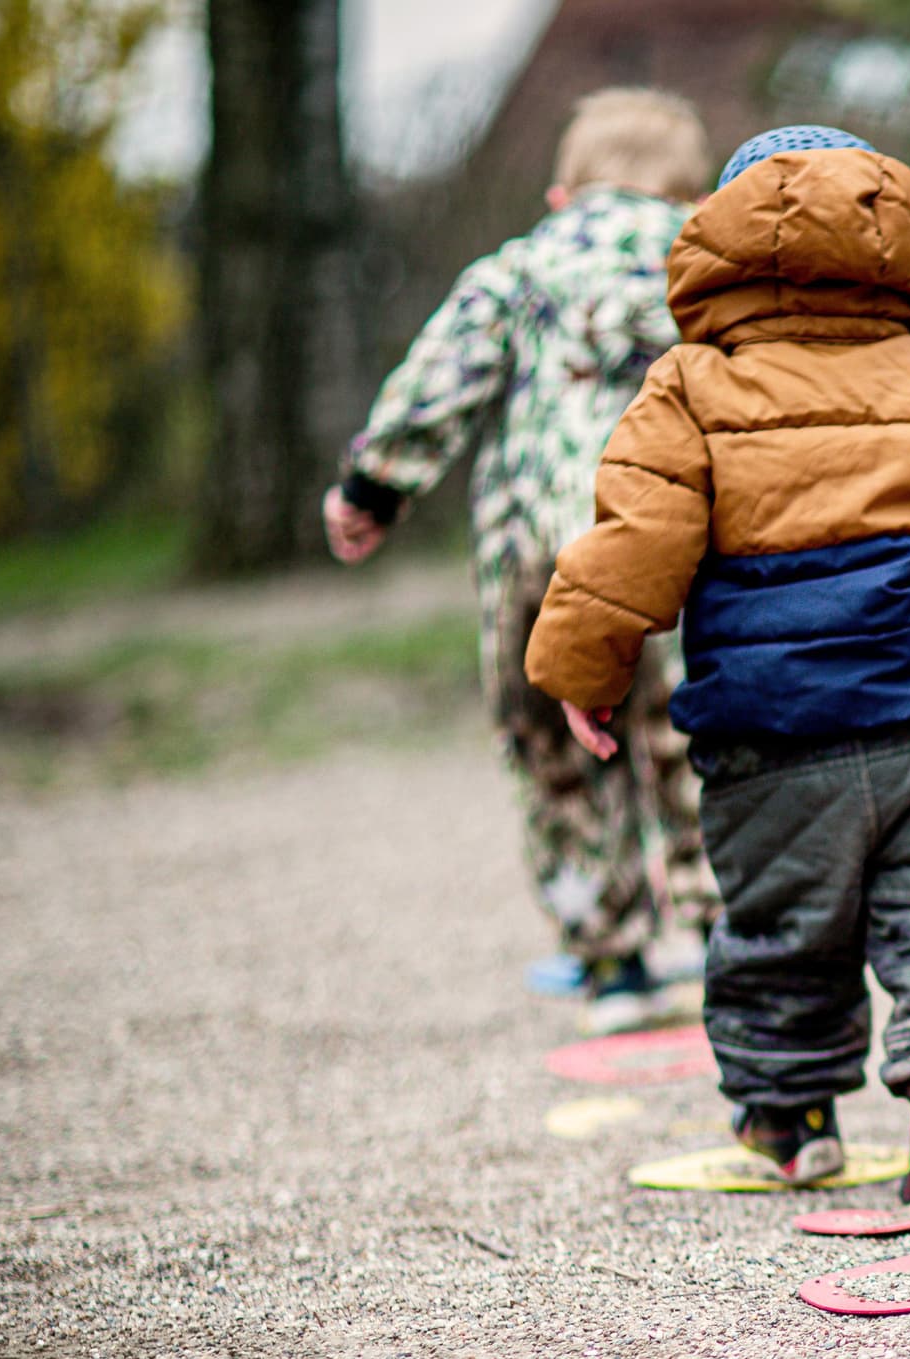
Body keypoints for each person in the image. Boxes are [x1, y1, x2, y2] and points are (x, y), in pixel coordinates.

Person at [522, 126, 910, 1205]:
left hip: (772, 734)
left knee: (782, 930)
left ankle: (793, 1124)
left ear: (720, 241)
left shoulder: (689, 386)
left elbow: (630, 545)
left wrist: (585, 676)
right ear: (896, 242)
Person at [324, 88, 722, 1036]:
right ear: (690, 195)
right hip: (677, 541)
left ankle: (613, 957)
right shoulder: (702, 264)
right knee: (695, 733)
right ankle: (726, 940)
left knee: (548, 737)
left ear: (559, 194)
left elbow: (442, 375)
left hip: (539, 546)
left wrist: (373, 485)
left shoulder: (521, 268)